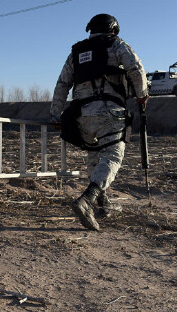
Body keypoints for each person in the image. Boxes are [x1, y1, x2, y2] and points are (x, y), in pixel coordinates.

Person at [49, 14, 148, 231]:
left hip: (81, 115)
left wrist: (56, 115)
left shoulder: (76, 52)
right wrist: (142, 95)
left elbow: (62, 84)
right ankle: (87, 199)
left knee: (95, 155)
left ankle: (103, 204)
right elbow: (136, 69)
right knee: (113, 155)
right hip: (110, 112)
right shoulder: (117, 44)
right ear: (114, 29)